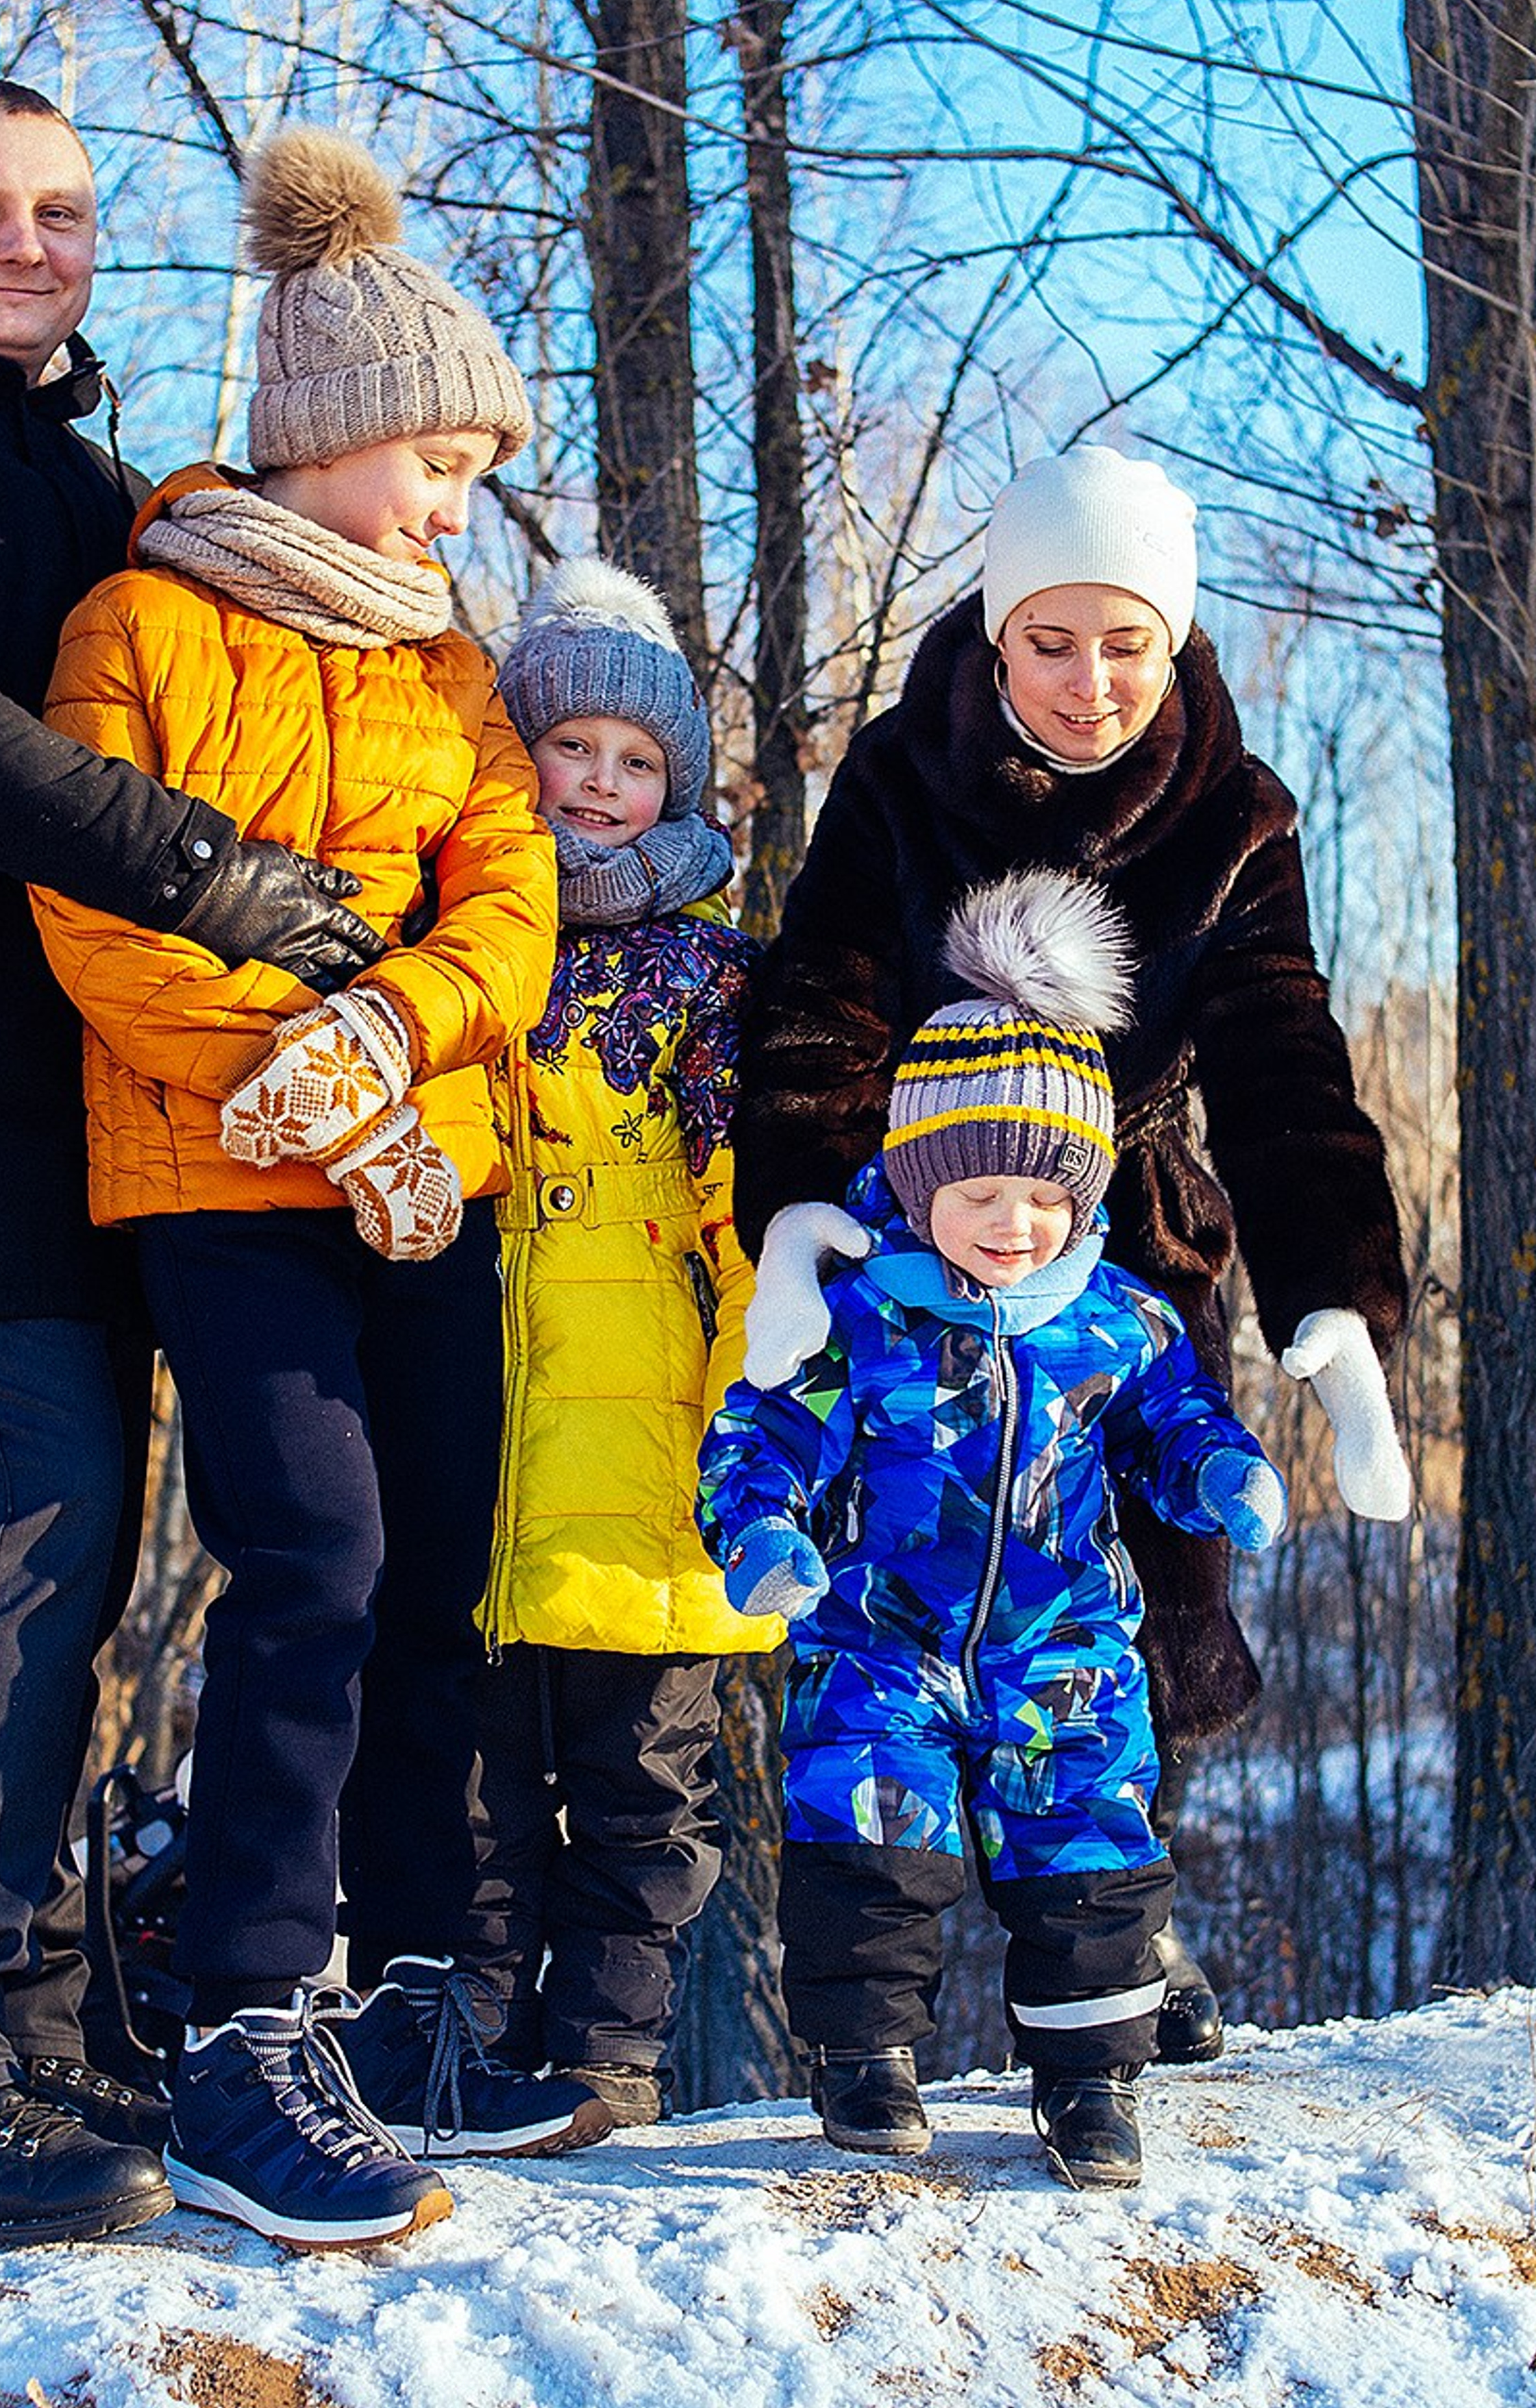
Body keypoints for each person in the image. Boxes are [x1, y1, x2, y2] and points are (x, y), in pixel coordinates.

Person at [32, 125, 604, 2247]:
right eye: (434, 458)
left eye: (470, 466)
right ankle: (238, 2030)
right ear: (327, 432)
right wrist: (300, 1069)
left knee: (432, 1575)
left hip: (426, 1175)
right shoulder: (142, 623)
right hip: (216, 1172)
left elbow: (516, 901)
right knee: (316, 1563)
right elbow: (95, 915)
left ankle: (399, 2007)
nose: (457, 502)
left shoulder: (451, 662)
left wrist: (405, 1036)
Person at [0, 80, 384, 2250]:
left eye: (62, 209)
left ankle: (44, 2018)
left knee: (90, 1547)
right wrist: (197, 870)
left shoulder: (78, 478)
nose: (22, 239)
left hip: (92, 1107)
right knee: (26, 1515)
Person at [728, 445, 1411, 2065]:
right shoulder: (903, 776)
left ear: (1169, 642)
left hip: (1125, 1244)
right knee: (892, 1598)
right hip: (913, 1247)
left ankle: (1125, 1935)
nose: (1089, 681)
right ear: (994, 623)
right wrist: (805, 1204)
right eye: (1051, 639)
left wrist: (1336, 1293)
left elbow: (1277, 1051)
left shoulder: (1234, 815)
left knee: (1137, 1601)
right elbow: (820, 996)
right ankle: (873, 1979)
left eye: (1127, 643)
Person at [700, 872, 1289, 2189]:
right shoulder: (862, 1309)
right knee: (868, 1849)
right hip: (882, 1640)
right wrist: (762, 1534)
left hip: (1063, 1645)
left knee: (1088, 1857)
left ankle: (1088, 2082)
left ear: (1083, 1198)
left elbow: (1172, 1422)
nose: (1011, 1224)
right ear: (917, 1186)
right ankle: (867, 2065)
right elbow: (763, 1432)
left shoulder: (1116, 1319)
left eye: (1043, 1198)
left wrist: (1221, 1476)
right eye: (976, 1195)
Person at [345, 558, 782, 2132]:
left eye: (636, 759)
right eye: (567, 748)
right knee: (466, 1778)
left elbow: (760, 1221)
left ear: (675, 780)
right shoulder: (447, 941)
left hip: (651, 1435)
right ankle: (462, 2047)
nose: (597, 785)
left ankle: (604, 2057)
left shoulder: (722, 981)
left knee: (643, 1777)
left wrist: (751, 1424)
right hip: (470, 1422)